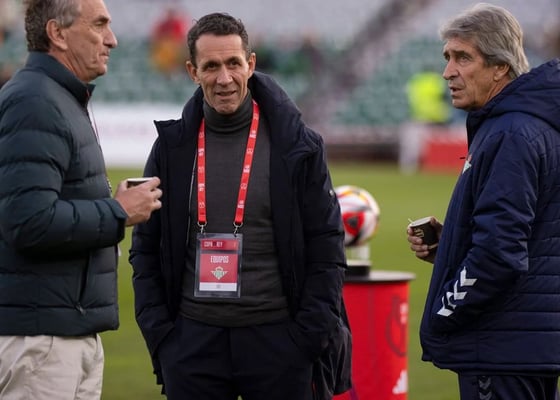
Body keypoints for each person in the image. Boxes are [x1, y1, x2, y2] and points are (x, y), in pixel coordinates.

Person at [129, 12, 351, 400]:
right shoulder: (171, 148)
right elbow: (145, 247)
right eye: (210, 67)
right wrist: (162, 336)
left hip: (280, 342)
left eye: (233, 63)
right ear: (192, 72)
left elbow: (327, 244)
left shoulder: (297, 145)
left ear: (251, 63)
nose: (224, 78)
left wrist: (307, 337)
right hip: (192, 345)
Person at [0, 1, 162, 399]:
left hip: (62, 331)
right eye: (99, 25)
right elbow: (28, 222)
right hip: (41, 340)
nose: (113, 39)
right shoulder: (35, 101)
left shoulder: (56, 96)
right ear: (57, 33)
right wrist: (118, 212)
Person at [406, 3, 560, 399]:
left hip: (502, 348)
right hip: (527, 342)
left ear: (500, 66)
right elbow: (537, 235)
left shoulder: (511, 133)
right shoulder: (530, 124)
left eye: (463, 58)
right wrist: (450, 246)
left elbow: (499, 254)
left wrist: (445, 310)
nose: (448, 72)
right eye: (447, 57)